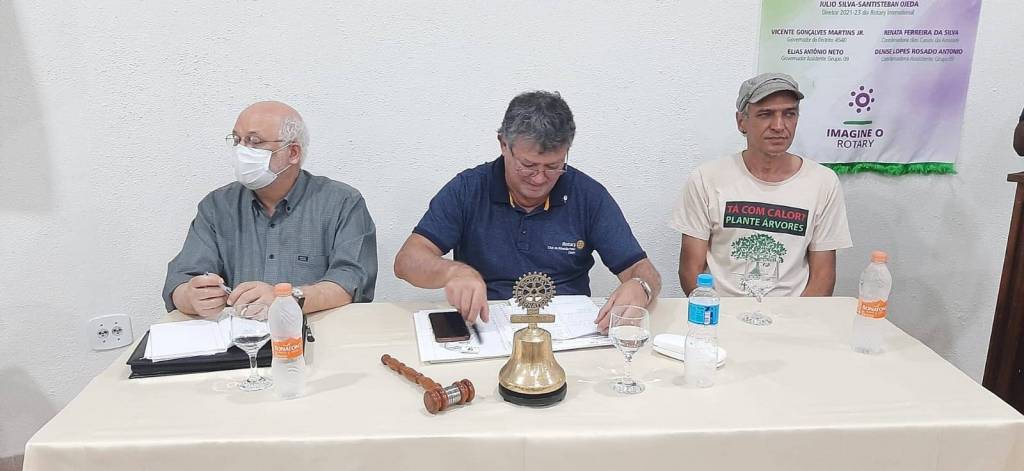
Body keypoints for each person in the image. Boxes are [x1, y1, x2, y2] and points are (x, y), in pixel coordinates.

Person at [394, 91, 660, 330]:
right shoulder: (468, 189)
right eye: (528, 165)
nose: (539, 178)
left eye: (553, 166)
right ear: (503, 145)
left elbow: (642, 269)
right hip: (487, 326)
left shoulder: (588, 195)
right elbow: (407, 260)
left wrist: (641, 287)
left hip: (567, 334)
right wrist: (453, 272)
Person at [163, 101, 377, 317]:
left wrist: (288, 298)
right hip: (240, 332)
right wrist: (191, 297)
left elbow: (351, 280)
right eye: (237, 140)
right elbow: (179, 282)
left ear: (293, 152)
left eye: (254, 141)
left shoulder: (342, 202)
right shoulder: (217, 206)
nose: (242, 150)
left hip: (315, 330)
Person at [671, 73, 852, 297]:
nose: (779, 126)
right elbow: (690, 270)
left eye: (789, 114)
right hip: (721, 311)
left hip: (793, 314)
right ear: (741, 122)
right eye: (766, 114)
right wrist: (716, 312)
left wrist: (797, 317)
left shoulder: (823, 182)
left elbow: (823, 276)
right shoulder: (706, 179)